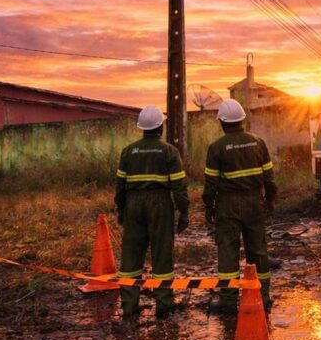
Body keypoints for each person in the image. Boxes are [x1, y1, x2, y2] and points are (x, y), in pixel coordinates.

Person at [115, 105, 189, 319]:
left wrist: (122, 210)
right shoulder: (168, 151)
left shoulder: (128, 151)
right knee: (162, 254)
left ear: (142, 128)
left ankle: (129, 306)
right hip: (159, 204)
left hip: (133, 204)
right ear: (161, 127)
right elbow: (179, 186)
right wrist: (183, 212)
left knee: (130, 255)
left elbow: (120, 185)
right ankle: (164, 304)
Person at [203, 99, 277, 311]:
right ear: (242, 120)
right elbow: (269, 178)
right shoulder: (258, 142)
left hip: (227, 204)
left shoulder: (216, 148)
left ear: (222, 123)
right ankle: (262, 297)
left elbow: (211, 183)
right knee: (258, 252)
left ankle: (228, 301)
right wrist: (270, 200)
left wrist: (209, 207)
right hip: (255, 202)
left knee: (228, 251)